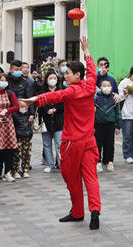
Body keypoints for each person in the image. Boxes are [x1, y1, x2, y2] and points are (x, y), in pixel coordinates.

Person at [21, 36, 101, 230]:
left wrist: (32, 100)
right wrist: (87, 52)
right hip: (89, 140)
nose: (64, 75)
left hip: (72, 142)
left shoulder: (71, 91)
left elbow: (52, 96)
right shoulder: (90, 85)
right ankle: (95, 210)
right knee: (91, 177)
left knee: (72, 179)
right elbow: (91, 70)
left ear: (77, 76)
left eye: (68, 73)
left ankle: (77, 212)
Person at [38, 72, 64, 173]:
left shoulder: (61, 91)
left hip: (59, 122)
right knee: (47, 145)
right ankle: (50, 164)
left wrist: (55, 109)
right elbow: (38, 106)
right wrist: (46, 110)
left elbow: (64, 105)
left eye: (54, 78)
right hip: (46, 122)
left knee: (59, 145)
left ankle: (61, 164)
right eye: (50, 78)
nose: (52, 79)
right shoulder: (42, 92)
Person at [11, 84, 36, 179]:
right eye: (22, 107)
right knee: (17, 154)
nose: (24, 109)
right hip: (18, 136)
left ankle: (25, 170)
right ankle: (16, 170)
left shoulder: (29, 115)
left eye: (26, 107)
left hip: (28, 136)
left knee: (27, 154)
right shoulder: (14, 115)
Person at [94, 80, 119, 172]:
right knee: (97, 144)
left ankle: (109, 161)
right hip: (98, 125)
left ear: (111, 88)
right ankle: (98, 162)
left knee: (109, 144)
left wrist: (118, 126)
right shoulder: (96, 98)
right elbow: (92, 112)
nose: (106, 88)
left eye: (108, 86)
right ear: (100, 88)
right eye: (104, 86)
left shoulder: (114, 98)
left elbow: (118, 112)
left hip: (110, 124)